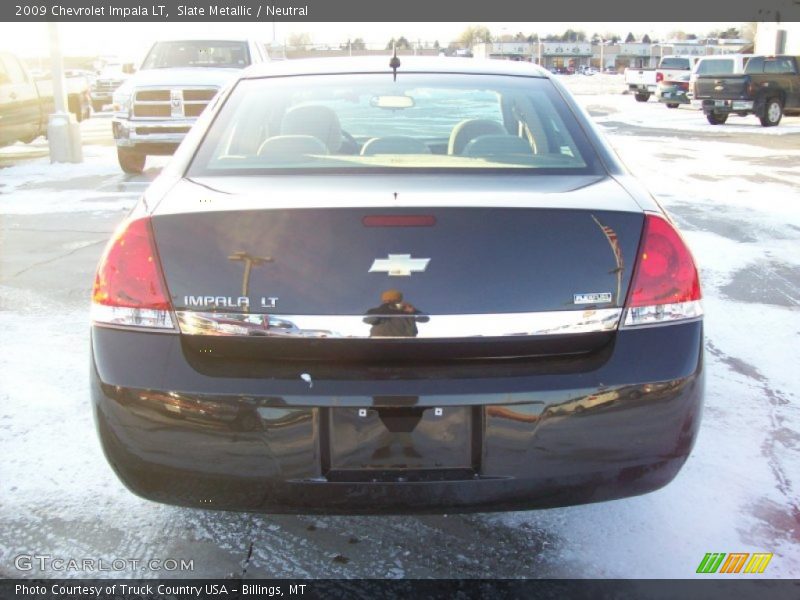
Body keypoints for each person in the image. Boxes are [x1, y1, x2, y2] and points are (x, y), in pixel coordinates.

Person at [363, 289, 429, 338]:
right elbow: (368, 320)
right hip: (381, 340)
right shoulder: (377, 310)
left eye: (395, 300)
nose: (390, 303)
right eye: (386, 300)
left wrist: (414, 311)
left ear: (399, 300)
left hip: (405, 341)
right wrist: (382, 310)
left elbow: (424, 319)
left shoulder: (405, 310)